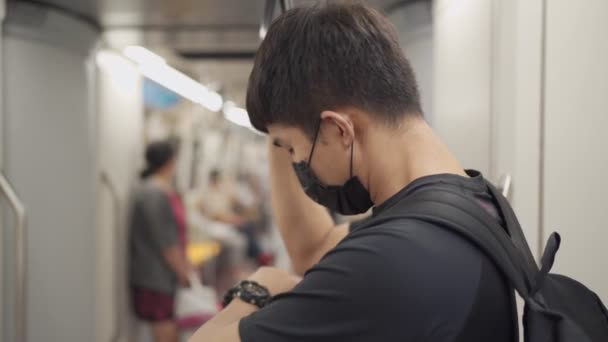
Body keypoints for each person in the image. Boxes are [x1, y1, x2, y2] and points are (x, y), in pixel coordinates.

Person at [191, 3, 516, 342]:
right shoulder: (470, 205)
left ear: (339, 130)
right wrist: (278, 111)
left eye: (291, 148)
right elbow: (313, 248)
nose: (296, 162)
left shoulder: (390, 259)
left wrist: (254, 290)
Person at [129, 140, 193, 342]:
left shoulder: (162, 191)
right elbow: (165, 242)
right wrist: (183, 272)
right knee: (165, 334)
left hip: (164, 276)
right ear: (170, 162)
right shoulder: (153, 194)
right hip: (156, 278)